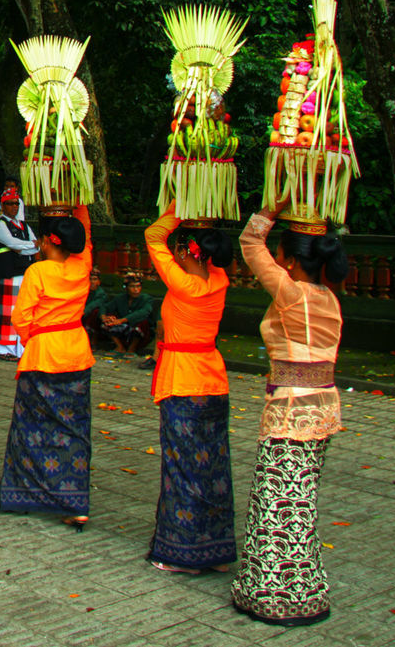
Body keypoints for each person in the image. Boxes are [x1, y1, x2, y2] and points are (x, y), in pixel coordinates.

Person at [230, 202, 346, 626]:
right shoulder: (330, 300)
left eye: (282, 256)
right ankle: (305, 591)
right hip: (322, 408)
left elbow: (249, 242)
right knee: (301, 502)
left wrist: (272, 206)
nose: (276, 262)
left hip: (290, 410)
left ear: (293, 260)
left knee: (276, 501)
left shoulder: (291, 292)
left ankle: (273, 595)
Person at [143, 206, 236, 574]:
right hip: (213, 378)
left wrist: (177, 209)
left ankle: (182, 552)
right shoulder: (219, 279)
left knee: (181, 465)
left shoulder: (184, 284)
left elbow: (152, 235)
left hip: (183, 380)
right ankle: (213, 549)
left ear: (185, 252)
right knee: (212, 466)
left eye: (179, 249)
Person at [0, 205, 93, 527]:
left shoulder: (37, 272)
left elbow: (20, 319)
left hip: (43, 356)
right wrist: (79, 201)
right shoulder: (82, 266)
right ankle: (75, 504)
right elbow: (86, 237)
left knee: (30, 428)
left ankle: (23, 493)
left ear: (48, 242)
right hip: (77, 352)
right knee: (74, 429)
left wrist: (37, 335)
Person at [0, 184, 38, 360]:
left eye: (16, 204)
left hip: (24, 272)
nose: (14, 207)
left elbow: (31, 245)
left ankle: (21, 347)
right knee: (6, 311)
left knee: (23, 311)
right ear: (3, 206)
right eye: (10, 204)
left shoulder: (24, 225)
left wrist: (26, 247)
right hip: (8, 272)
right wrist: (28, 247)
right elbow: (14, 244)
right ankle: (3, 349)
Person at [101, 273, 156, 355]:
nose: (136, 289)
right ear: (126, 288)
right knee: (106, 323)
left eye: (138, 286)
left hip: (139, 333)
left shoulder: (147, 299)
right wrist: (104, 317)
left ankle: (132, 349)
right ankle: (120, 347)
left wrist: (122, 320)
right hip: (124, 329)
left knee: (143, 323)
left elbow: (144, 312)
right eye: (132, 287)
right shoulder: (120, 298)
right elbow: (105, 307)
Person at [82, 268, 109, 349]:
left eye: (95, 279)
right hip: (80, 315)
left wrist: (81, 313)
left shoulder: (101, 294)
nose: (92, 282)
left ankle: (93, 340)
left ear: (99, 282)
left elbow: (92, 306)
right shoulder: (82, 291)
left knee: (96, 311)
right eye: (90, 279)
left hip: (89, 317)